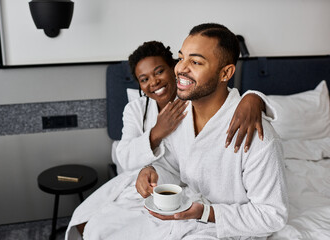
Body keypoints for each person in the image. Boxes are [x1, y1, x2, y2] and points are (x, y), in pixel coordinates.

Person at [65, 39, 276, 239]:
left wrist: (253, 97)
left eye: (159, 72)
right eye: (144, 79)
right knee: (91, 225)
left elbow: (224, 101)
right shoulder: (136, 109)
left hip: (190, 191)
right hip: (152, 182)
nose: (153, 82)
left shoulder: (196, 101)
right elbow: (128, 158)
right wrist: (157, 132)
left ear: (172, 68)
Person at [136, 23, 288, 239]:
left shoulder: (257, 136)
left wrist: (207, 212)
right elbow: (172, 165)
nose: (180, 69)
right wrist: (152, 172)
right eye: (181, 58)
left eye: (196, 62)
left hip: (231, 229)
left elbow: (272, 216)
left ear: (225, 72)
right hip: (187, 217)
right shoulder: (181, 113)